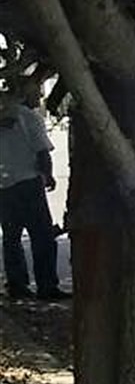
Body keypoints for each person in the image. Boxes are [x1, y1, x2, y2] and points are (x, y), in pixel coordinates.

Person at [0, 85, 66, 301]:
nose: (40, 96)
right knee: (43, 237)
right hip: (28, 183)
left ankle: (18, 285)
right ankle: (46, 285)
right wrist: (48, 175)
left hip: (4, 186)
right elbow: (42, 151)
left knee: (11, 238)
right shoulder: (28, 117)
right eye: (36, 92)